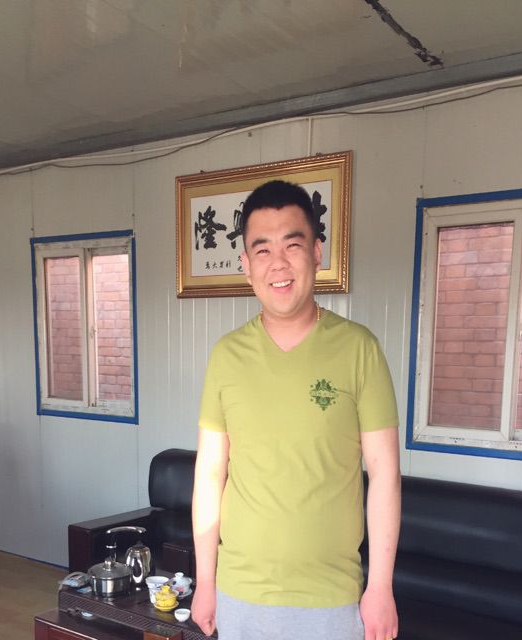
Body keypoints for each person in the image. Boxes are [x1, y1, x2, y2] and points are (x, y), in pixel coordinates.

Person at [191, 180, 401, 640]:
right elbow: (209, 473)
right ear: (246, 265)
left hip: (331, 599)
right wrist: (206, 582)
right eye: (262, 249)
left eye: (293, 244)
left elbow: (385, 473)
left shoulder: (359, 349)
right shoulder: (226, 355)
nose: (278, 263)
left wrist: (380, 587)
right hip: (240, 594)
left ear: (317, 253)